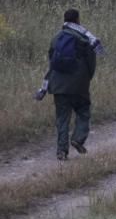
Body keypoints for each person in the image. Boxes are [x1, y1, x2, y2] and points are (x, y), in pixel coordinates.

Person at [34, 9, 103, 161]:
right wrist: (86, 78)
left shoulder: (56, 38)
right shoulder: (85, 39)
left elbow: (51, 60)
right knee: (83, 112)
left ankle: (61, 151)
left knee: (62, 118)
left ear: (65, 20)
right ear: (77, 20)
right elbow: (91, 63)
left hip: (58, 85)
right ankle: (78, 139)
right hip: (78, 84)